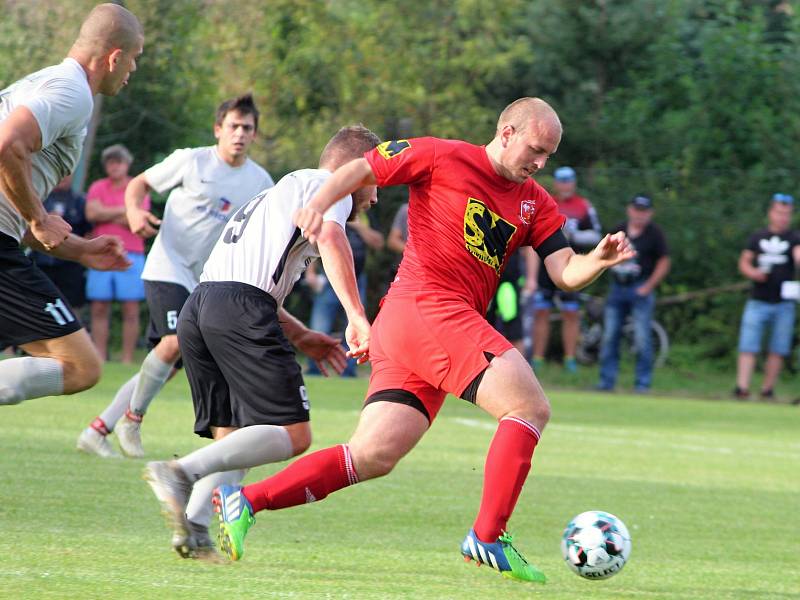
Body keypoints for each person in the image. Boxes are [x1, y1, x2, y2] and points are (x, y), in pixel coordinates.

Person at [211, 98, 635, 582]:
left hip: (417, 327)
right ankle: (489, 536)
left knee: (372, 455)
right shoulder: (440, 155)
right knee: (529, 408)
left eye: (549, 156)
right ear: (508, 132)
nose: (541, 164)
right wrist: (317, 205)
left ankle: (244, 500)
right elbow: (359, 167)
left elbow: (563, 272)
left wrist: (597, 260)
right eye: (536, 150)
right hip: (428, 308)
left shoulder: (534, 201)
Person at [142, 125, 378, 560]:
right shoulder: (331, 187)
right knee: (293, 432)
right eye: (375, 181)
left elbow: (245, 280)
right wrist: (357, 316)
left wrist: (303, 335)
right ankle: (180, 472)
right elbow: (329, 237)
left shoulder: (276, 192)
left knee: (240, 433)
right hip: (238, 308)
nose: (375, 196)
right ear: (357, 169)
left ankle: (193, 531)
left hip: (203, 304)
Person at [77, 94, 274, 459]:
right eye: (233, 126)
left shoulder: (261, 181)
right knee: (173, 343)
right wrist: (134, 212)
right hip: (168, 266)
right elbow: (139, 184)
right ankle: (132, 420)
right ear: (218, 129)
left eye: (248, 128)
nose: (240, 134)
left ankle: (98, 429)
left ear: (255, 135)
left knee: (164, 364)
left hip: (208, 282)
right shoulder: (191, 160)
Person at [0, 4, 141, 407]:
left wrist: (78, 249)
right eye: (134, 58)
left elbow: (11, 190)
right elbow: (8, 144)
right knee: (80, 365)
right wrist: (39, 217)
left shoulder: (41, 83)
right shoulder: (74, 91)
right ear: (115, 56)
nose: (132, 69)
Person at [530, 166, 602, 372]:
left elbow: (596, 235)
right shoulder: (545, 200)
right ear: (556, 183)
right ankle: (538, 359)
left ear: (574, 182)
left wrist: (573, 236)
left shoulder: (583, 206)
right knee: (541, 311)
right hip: (545, 266)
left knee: (570, 313)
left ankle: (570, 359)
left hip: (571, 264)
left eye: (569, 180)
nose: (565, 185)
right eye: (561, 181)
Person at [597, 194, 670, 392]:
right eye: (637, 210)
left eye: (644, 211)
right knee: (610, 335)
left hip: (640, 288)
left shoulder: (655, 234)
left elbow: (664, 261)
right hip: (617, 287)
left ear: (650, 213)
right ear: (630, 210)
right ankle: (606, 382)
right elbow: (602, 254)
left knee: (642, 337)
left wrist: (648, 286)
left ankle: (642, 384)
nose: (640, 214)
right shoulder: (618, 230)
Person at [85, 144, 150, 363]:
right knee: (99, 305)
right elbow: (92, 213)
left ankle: (127, 358)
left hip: (132, 253)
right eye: (111, 162)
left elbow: (137, 220)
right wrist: (124, 210)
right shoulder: (97, 186)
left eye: (119, 162)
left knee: (131, 307)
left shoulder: (137, 186)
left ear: (127, 164)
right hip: (101, 252)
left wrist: (107, 213)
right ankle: (100, 355)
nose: (115, 166)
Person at [733, 193, 800, 400]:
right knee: (748, 345)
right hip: (758, 299)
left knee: (778, 348)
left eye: (787, 214)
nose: (783, 218)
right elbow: (744, 262)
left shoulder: (794, 237)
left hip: (784, 302)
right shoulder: (757, 237)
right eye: (779, 213)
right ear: (771, 213)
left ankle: (767, 390)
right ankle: (742, 388)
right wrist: (753, 273)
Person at [305, 211, 384, 377]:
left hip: (357, 279)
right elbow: (314, 240)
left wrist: (359, 226)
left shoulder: (364, 216)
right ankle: (314, 369)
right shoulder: (333, 210)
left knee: (355, 324)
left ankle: (348, 371)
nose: (374, 199)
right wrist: (310, 273)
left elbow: (378, 242)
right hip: (330, 277)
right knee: (321, 326)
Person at [29, 175, 92, 313]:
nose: (63, 177)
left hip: (70, 266)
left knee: (72, 308)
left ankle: (75, 334)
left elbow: (88, 231)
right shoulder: (38, 199)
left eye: (67, 174)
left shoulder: (80, 201)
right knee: (40, 307)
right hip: (42, 263)